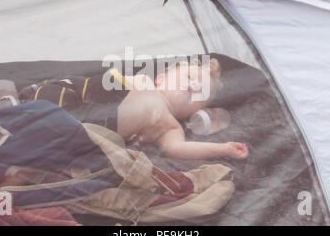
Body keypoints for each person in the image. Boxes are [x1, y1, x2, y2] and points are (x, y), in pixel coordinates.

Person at [19, 58, 249, 161]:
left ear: (195, 111)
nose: (195, 85)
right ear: (160, 78)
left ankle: (33, 140)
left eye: (202, 92)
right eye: (190, 76)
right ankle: (27, 111)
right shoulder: (142, 83)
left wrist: (223, 149)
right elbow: (106, 86)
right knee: (108, 83)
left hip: (84, 134)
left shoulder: (171, 126)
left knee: (63, 143)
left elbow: (177, 149)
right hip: (71, 98)